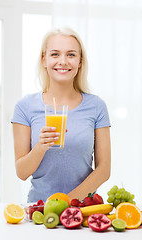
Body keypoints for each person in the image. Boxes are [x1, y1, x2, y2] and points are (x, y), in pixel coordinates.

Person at [11, 27, 111, 203]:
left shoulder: (96, 106)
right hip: (40, 209)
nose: (63, 61)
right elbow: (21, 172)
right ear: (44, 60)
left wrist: (66, 202)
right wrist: (41, 146)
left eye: (71, 55)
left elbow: (104, 170)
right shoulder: (25, 107)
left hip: (83, 208)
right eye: (55, 54)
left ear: (80, 61)